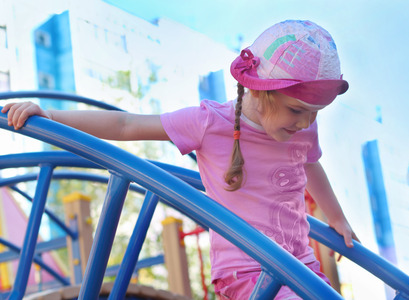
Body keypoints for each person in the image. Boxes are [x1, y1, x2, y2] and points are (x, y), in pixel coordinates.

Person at [2, 20, 358, 299]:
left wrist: (337, 218)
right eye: (298, 110)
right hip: (248, 270)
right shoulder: (208, 123)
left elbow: (311, 165)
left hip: (302, 265)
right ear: (259, 92)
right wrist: (49, 115)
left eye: (315, 113)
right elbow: (125, 124)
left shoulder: (301, 129)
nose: (306, 123)